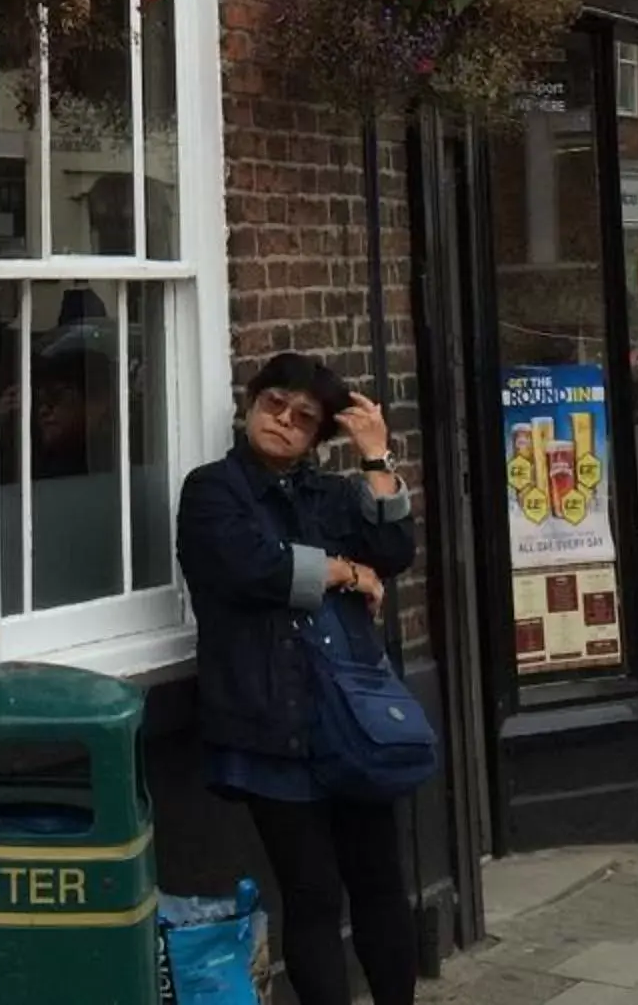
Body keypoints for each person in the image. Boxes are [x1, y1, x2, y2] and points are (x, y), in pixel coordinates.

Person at [175, 353, 417, 1005]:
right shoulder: (212, 490)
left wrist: (375, 459)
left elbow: (394, 552)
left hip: (347, 719)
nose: (283, 421)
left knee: (378, 881)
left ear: (315, 438)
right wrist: (343, 572)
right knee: (312, 893)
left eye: (303, 418)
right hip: (265, 722)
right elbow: (252, 567)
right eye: (274, 403)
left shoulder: (330, 495)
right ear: (250, 404)